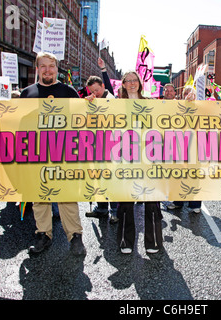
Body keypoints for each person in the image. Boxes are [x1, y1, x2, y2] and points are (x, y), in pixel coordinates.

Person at [20, 52, 86, 256]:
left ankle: (75, 236)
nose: (48, 70)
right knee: (39, 196)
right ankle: (43, 234)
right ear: (37, 68)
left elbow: (81, 120)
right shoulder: (27, 93)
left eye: (51, 66)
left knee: (67, 197)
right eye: (43, 66)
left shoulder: (69, 91)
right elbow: (18, 122)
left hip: (64, 154)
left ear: (57, 69)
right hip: (36, 153)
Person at [117, 71, 163, 254]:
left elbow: (169, 117)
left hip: (148, 158)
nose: (131, 83)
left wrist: (190, 101)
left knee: (151, 200)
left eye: (134, 79)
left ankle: (152, 242)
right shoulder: (116, 105)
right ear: (123, 84)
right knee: (126, 202)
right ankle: (126, 241)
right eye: (127, 80)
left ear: (139, 83)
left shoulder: (150, 103)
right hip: (125, 159)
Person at [84, 74, 117, 223]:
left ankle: (114, 210)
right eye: (92, 91)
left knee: (112, 179)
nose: (94, 94)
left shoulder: (113, 100)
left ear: (103, 86)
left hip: (111, 147)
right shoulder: (91, 101)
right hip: (95, 146)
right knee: (98, 179)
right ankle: (102, 208)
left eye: (97, 90)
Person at [165, 85, 202, 213]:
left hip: (195, 148)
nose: (187, 95)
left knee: (193, 176)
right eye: (185, 93)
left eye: (190, 93)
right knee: (177, 176)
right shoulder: (178, 107)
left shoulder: (200, 108)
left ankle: (195, 204)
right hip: (178, 146)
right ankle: (177, 202)